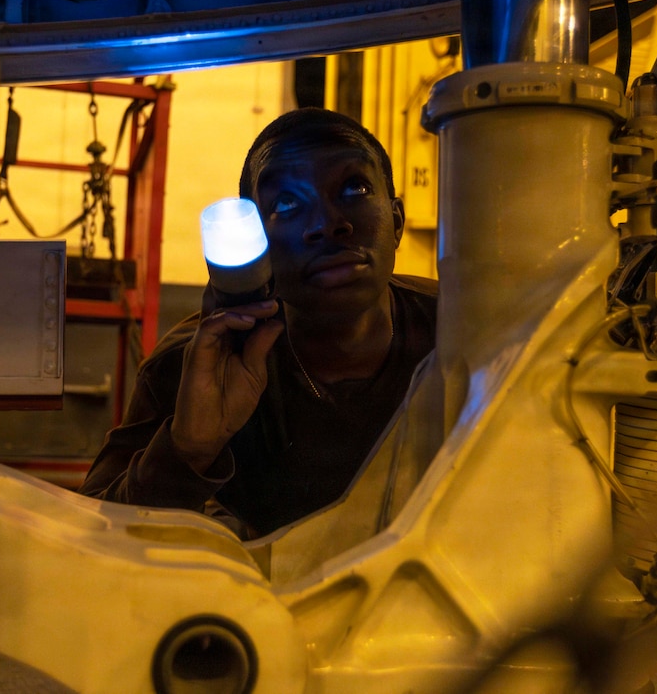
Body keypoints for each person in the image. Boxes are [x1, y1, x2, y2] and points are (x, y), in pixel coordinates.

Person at [78, 107, 438, 539]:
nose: (326, 225)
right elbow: (94, 538)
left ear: (396, 222)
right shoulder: (199, 364)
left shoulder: (460, 330)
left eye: (354, 187)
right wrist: (187, 449)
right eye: (286, 204)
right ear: (257, 244)